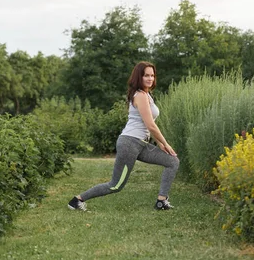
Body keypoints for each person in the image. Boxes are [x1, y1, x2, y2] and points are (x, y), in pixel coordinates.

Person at [68, 61, 180, 211]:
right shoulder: (140, 95)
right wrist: (165, 143)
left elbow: (149, 124)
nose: (150, 78)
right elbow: (150, 125)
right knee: (116, 185)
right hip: (130, 144)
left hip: (141, 144)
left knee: (172, 162)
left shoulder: (147, 94)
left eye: (152, 75)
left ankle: (161, 201)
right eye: (146, 75)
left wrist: (159, 143)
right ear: (138, 77)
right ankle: (76, 200)